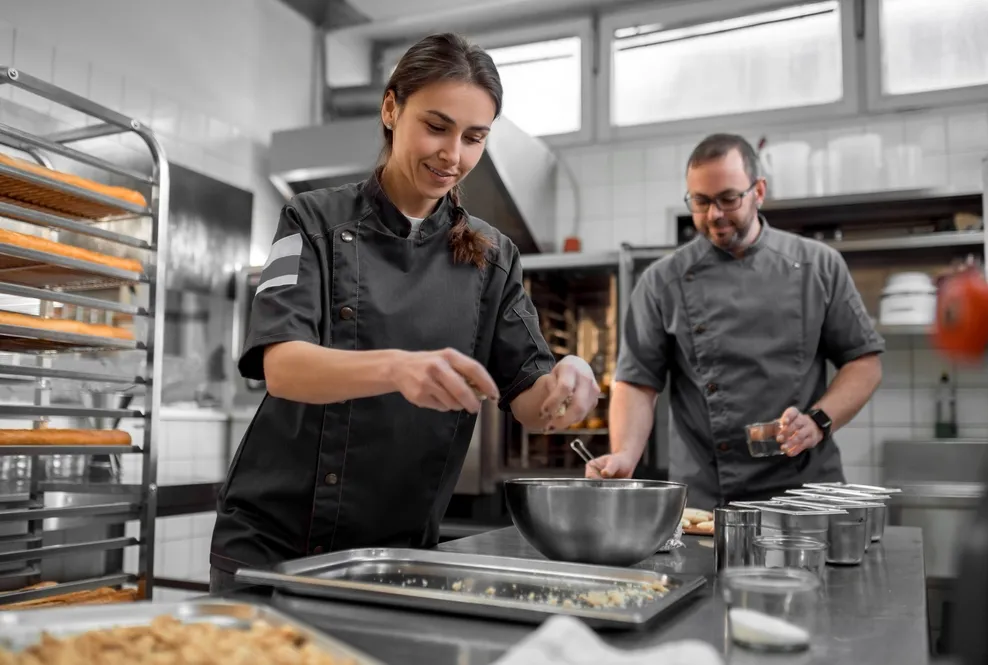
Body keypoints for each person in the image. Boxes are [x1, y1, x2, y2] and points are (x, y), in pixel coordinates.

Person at [210, 33, 600, 591]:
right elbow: (284, 368)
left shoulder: (493, 257)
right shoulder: (312, 220)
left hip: (400, 555)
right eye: (436, 127)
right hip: (276, 544)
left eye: (474, 137)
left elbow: (533, 405)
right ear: (391, 109)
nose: (454, 155)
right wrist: (397, 369)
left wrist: (571, 377)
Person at [585, 133, 884, 509]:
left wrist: (818, 421)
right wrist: (626, 454)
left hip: (806, 492)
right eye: (700, 201)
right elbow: (636, 383)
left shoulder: (817, 266)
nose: (714, 215)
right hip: (707, 495)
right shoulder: (662, 281)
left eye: (728, 199)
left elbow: (865, 363)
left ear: (758, 191)